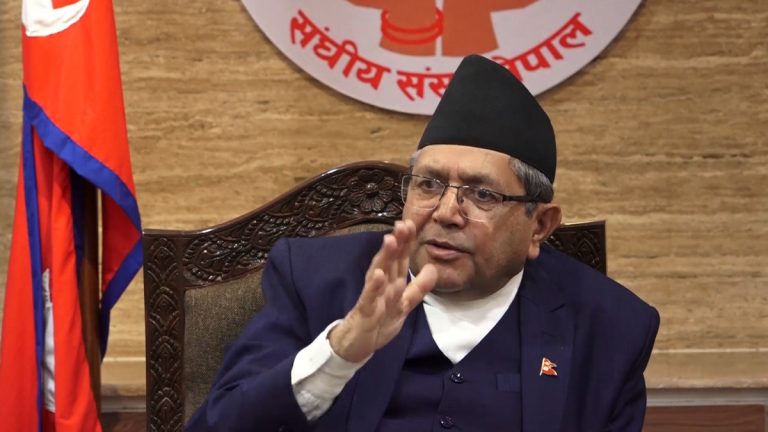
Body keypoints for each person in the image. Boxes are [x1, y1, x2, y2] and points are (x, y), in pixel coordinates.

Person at [187, 54, 660, 432]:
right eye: (429, 185)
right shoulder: (315, 280)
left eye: (482, 194)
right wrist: (339, 352)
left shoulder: (610, 326)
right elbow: (218, 424)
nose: (446, 212)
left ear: (540, 226)